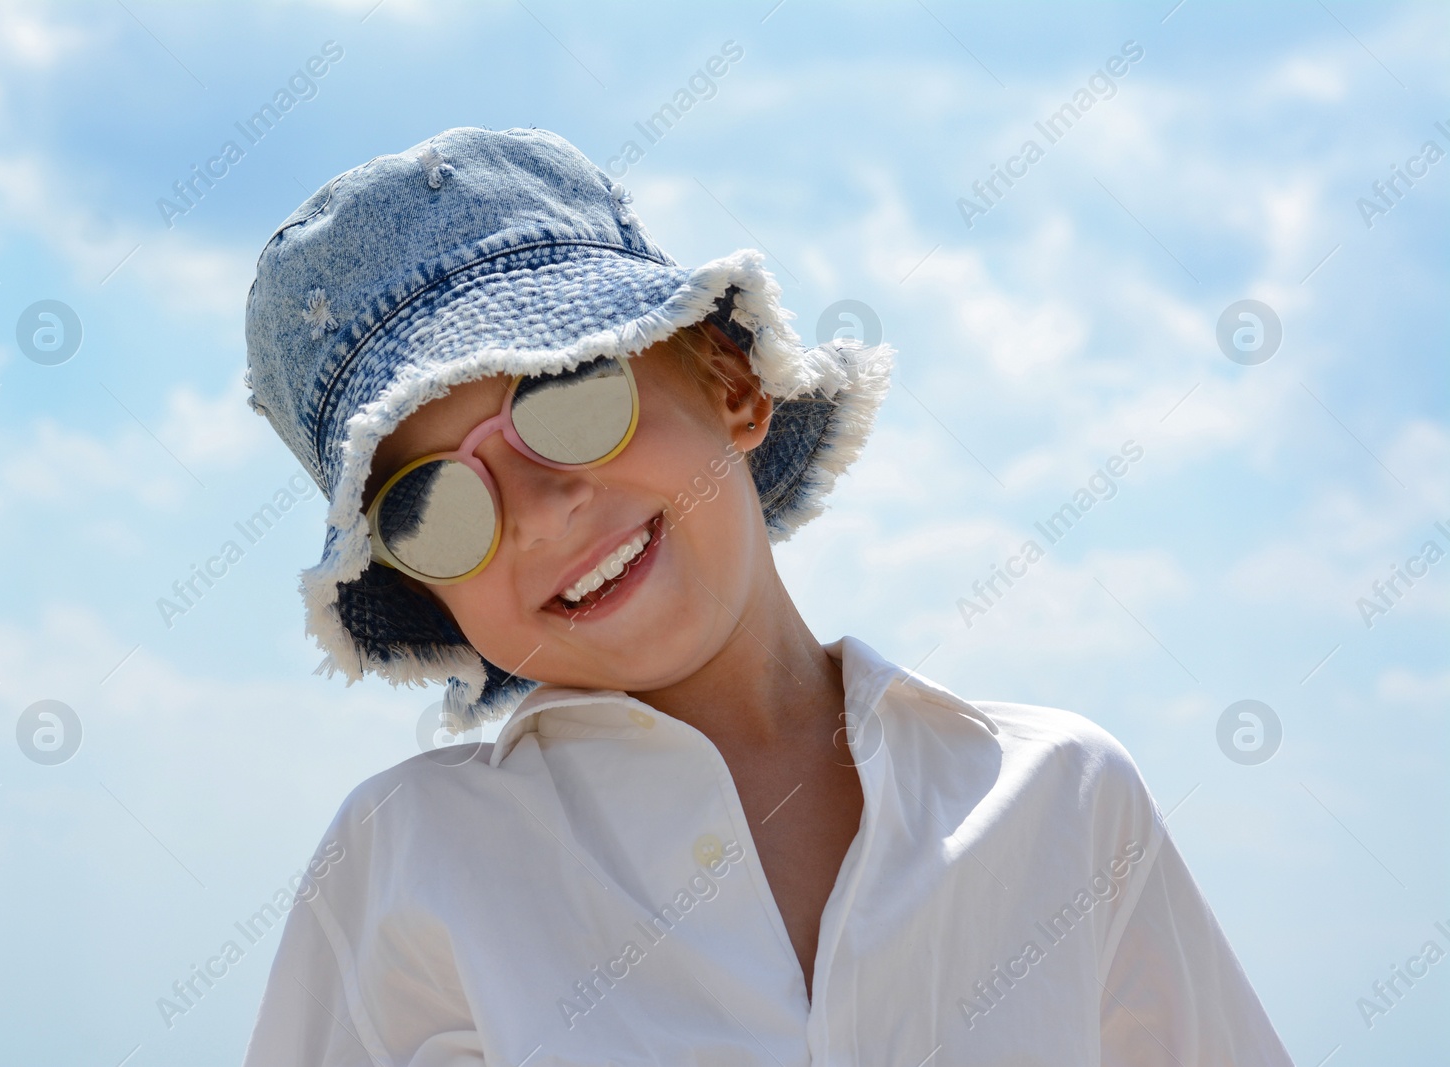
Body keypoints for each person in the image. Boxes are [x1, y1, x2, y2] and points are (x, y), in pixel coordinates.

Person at [238, 126, 1295, 1065]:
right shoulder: (409, 860)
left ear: (731, 385)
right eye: (432, 507)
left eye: (566, 399)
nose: (542, 511)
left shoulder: (1063, 798)